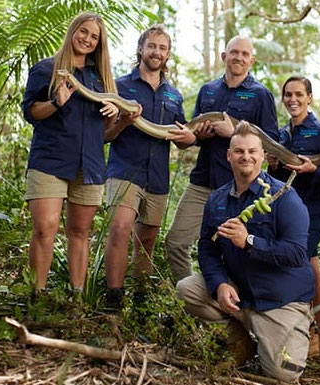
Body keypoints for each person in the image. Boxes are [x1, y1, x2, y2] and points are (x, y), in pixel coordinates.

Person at [177, 122, 314, 382]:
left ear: (263, 155)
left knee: (282, 375)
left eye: (252, 151)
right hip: (240, 294)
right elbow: (206, 247)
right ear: (229, 156)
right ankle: (241, 339)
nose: (246, 157)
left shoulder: (284, 197)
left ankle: (293, 331)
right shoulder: (217, 199)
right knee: (187, 290)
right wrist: (218, 284)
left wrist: (249, 241)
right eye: (239, 151)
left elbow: (296, 254)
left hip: (279, 300)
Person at [163, 36, 278, 283]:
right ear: (224, 56)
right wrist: (196, 135)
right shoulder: (208, 90)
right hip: (202, 180)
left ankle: (232, 309)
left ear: (251, 60)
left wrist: (234, 134)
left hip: (240, 188)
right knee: (175, 242)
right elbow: (193, 134)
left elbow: (271, 142)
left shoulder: (261, 95)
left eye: (244, 54)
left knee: (235, 250)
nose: (238, 58)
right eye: (234, 52)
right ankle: (190, 301)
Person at [21, 12, 119, 299]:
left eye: (94, 37)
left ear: (99, 43)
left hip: (89, 164)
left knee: (80, 231)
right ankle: (35, 297)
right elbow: (31, 113)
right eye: (83, 32)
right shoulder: (46, 69)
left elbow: (103, 130)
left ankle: (77, 298)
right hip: (50, 160)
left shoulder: (99, 79)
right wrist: (55, 102)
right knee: (45, 227)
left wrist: (113, 115)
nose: (87, 39)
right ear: (73, 30)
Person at [103, 25, 194, 309]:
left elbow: (180, 138)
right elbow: (105, 135)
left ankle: (141, 303)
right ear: (141, 49)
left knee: (147, 241)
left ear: (168, 54)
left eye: (162, 48)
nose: (157, 52)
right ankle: (113, 300)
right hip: (124, 170)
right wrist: (124, 122)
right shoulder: (119, 87)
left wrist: (189, 138)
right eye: (151, 46)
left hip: (157, 177)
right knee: (119, 228)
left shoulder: (174, 95)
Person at [268, 76, 320, 356]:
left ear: (310, 97)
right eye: (287, 94)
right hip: (286, 213)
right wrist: (273, 166)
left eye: (298, 94)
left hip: (313, 213)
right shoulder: (282, 134)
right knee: (313, 270)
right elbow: (278, 177)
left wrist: (315, 171)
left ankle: (306, 332)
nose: (292, 99)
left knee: (299, 268)